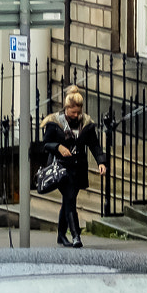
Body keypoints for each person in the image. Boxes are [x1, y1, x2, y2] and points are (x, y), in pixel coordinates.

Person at [40, 89, 109, 248]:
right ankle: (76, 235)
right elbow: (45, 144)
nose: (76, 115)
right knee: (70, 198)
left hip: (78, 167)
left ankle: (61, 235)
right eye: (73, 112)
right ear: (66, 108)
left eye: (78, 112)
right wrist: (58, 147)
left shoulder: (86, 123)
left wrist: (101, 162)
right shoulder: (55, 122)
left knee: (68, 201)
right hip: (62, 168)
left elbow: (94, 145)